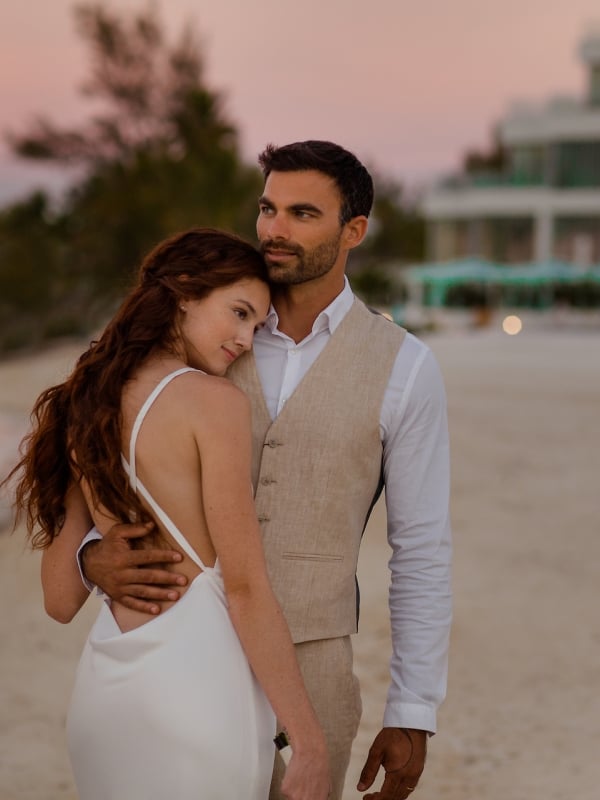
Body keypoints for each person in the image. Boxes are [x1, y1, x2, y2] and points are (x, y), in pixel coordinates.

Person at [77, 141, 453, 800]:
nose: (274, 229)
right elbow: (111, 456)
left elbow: (420, 547)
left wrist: (412, 710)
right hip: (180, 656)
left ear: (353, 231)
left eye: (303, 212)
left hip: (316, 676)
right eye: (268, 208)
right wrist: (90, 557)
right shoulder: (210, 332)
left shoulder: (406, 367)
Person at [6, 228, 330, 800]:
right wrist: (308, 742)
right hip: (197, 693)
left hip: (105, 698)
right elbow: (247, 588)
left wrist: (92, 560)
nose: (246, 339)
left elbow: (59, 601)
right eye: (238, 312)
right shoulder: (214, 402)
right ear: (183, 291)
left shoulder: (86, 405)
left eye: (256, 325)